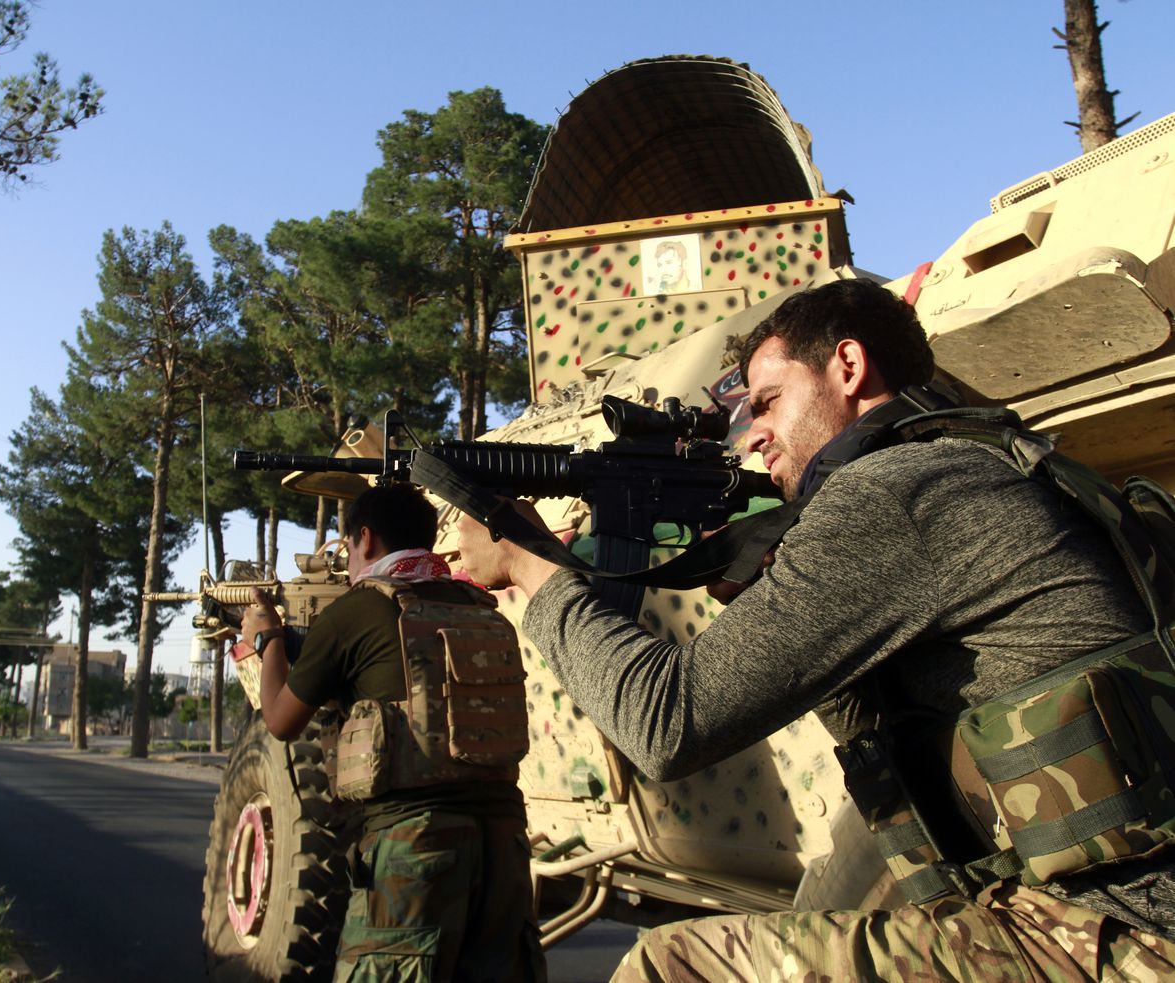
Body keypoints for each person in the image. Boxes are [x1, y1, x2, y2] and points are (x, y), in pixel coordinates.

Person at [456, 277, 1175, 981]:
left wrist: (527, 562)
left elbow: (664, 725)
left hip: (1120, 934)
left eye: (769, 400)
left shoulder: (895, 492)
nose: (754, 432)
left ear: (849, 367)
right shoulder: (985, 460)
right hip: (1107, 905)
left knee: (671, 963)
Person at [244, 482, 545, 983]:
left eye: (348, 549)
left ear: (365, 538)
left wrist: (269, 636)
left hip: (414, 848)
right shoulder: (475, 604)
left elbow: (280, 720)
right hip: (505, 846)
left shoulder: (357, 611)